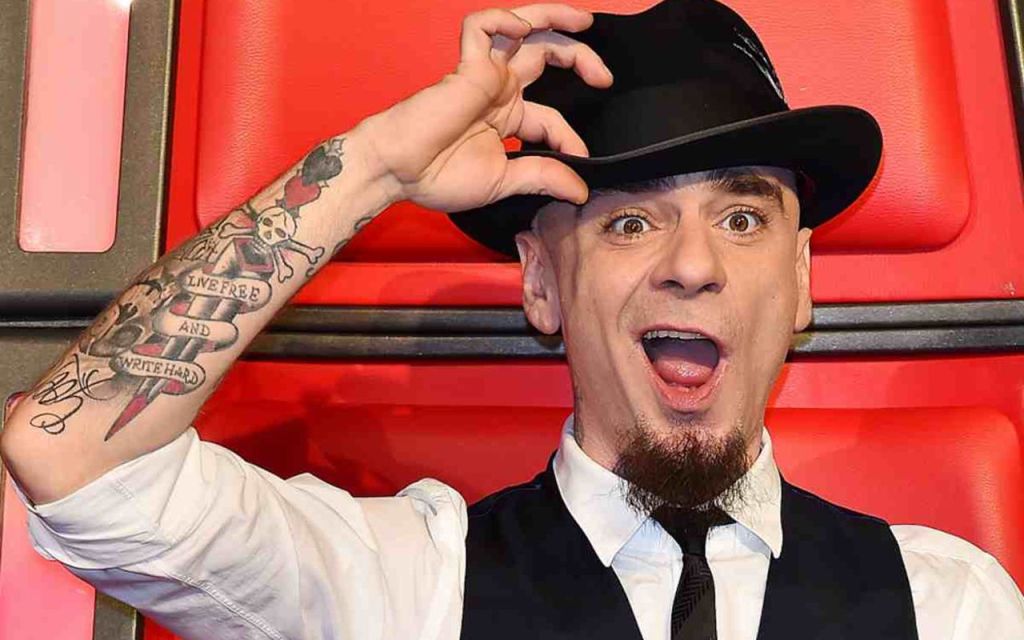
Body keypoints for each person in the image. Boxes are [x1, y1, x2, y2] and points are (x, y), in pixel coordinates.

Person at [2, 1, 1023, 639]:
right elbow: (70, 453)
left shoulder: (952, 606)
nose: (693, 265)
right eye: (630, 222)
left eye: (743, 217)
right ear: (541, 283)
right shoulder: (404, 589)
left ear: (798, 282)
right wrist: (374, 167)